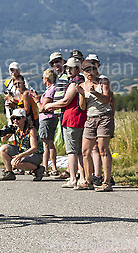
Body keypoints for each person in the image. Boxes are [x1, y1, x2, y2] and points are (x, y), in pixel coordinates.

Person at [45, 57, 88, 189]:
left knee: (72, 151)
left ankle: (73, 178)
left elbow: (65, 101)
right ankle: (82, 177)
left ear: (77, 69)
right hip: (79, 117)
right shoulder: (81, 82)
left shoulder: (74, 83)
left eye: (71, 68)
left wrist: (49, 105)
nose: (68, 70)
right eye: (67, 68)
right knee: (79, 150)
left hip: (72, 118)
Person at [79, 59, 115, 192]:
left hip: (104, 117)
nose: (90, 72)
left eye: (92, 69)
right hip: (90, 118)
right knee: (85, 151)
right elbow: (82, 107)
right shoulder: (83, 85)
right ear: (83, 72)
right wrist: (82, 94)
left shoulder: (103, 82)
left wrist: (95, 93)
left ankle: (106, 181)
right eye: (87, 70)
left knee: (103, 149)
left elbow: (107, 99)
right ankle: (89, 181)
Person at [0, 109, 45, 181]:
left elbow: (34, 148)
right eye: (13, 118)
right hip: (23, 150)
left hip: (35, 154)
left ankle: (38, 169)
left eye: (18, 118)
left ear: (24, 118)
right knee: (3, 148)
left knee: (14, 163)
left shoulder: (31, 130)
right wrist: (6, 132)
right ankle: (9, 172)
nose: (15, 120)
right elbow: (3, 140)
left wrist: (20, 156)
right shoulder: (16, 128)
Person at [32, 68, 59, 176]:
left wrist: (37, 100)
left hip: (47, 118)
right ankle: (53, 167)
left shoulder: (50, 90)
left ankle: (46, 168)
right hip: (51, 118)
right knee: (50, 143)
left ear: (46, 78)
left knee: (46, 144)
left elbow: (43, 108)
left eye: (43, 77)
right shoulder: (53, 88)